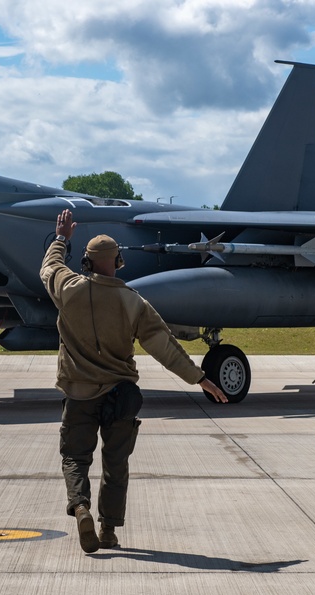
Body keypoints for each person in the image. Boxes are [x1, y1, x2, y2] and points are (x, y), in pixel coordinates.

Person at [40, 208, 228, 554]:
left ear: (87, 262)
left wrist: (62, 238)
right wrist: (200, 378)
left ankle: (80, 506)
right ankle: (108, 530)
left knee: (75, 457)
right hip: (119, 396)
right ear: (118, 261)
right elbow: (165, 347)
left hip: (78, 394)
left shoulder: (68, 289)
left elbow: (49, 268)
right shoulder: (133, 302)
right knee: (116, 464)